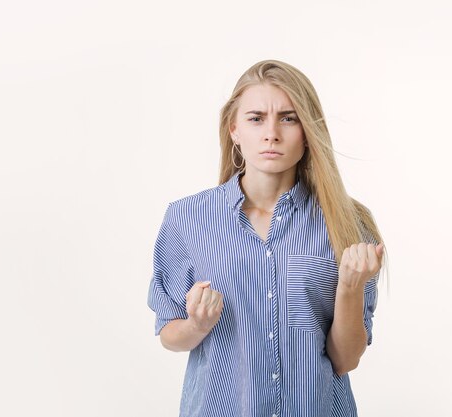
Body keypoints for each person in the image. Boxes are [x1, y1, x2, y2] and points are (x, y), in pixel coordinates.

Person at [147, 59, 387, 417]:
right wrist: (197, 325)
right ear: (234, 130)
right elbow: (169, 333)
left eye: (288, 118)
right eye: (256, 118)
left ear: (307, 131)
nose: (271, 133)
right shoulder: (186, 219)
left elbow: (345, 359)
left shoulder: (348, 225)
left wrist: (350, 288)